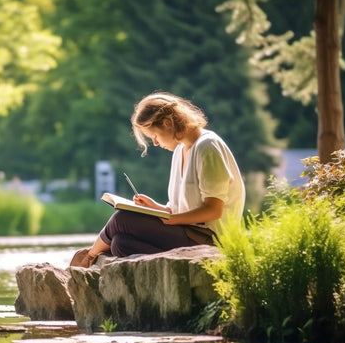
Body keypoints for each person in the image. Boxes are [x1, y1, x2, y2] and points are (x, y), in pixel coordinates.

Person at [70, 91, 245, 268]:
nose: (155, 143)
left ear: (168, 123)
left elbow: (213, 211)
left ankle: (88, 257)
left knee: (122, 219)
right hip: (188, 232)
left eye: (154, 136)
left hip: (210, 240)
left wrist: (172, 218)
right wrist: (156, 208)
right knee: (120, 243)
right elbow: (181, 209)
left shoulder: (208, 147)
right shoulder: (180, 150)